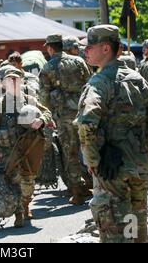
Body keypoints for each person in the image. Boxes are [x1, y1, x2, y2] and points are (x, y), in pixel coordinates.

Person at [76, 25, 148, 243]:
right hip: (139, 169)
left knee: (116, 235)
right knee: (137, 230)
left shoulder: (99, 83)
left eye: (89, 47)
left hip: (112, 173)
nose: (85, 51)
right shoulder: (139, 80)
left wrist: (91, 161)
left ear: (105, 48)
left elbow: (86, 123)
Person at [0, 67, 52, 228]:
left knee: (28, 179)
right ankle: (19, 212)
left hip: (28, 147)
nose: (13, 83)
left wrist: (41, 120)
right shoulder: (0, 104)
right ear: (4, 84)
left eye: (16, 80)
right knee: (13, 180)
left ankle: (26, 204)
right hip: (9, 150)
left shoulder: (30, 100)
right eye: (9, 81)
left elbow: (47, 112)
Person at [39, 33, 92, 205]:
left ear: (50, 48)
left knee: (70, 154)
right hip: (84, 113)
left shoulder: (47, 68)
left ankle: (77, 191)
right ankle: (95, 184)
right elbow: (91, 84)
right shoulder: (79, 61)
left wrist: (47, 118)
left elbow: (44, 97)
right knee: (89, 148)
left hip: (63, 118)